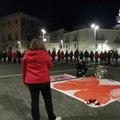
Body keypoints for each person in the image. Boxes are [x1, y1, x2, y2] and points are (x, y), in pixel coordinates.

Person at [22, 38, 61, 120]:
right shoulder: (44, 54)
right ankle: (51, 117)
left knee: (34, 101)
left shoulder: (27, 54)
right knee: (47, 99)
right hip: (44, 81)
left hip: (31, 81)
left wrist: (24, 81)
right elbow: (50, 66)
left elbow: (24, 69)